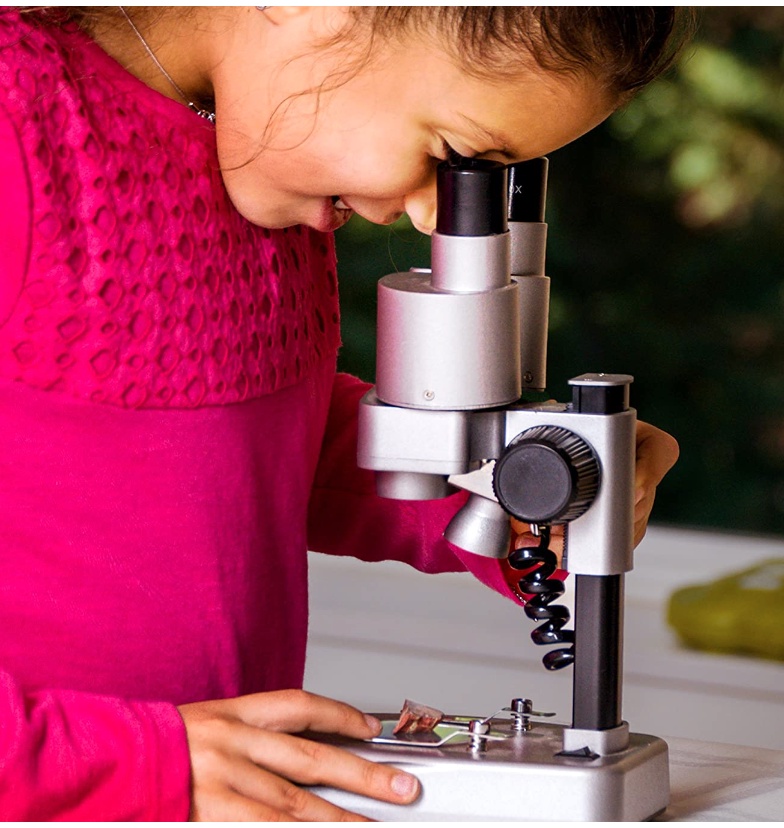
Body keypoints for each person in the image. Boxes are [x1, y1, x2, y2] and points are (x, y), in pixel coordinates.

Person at [0, 5, 684, 821]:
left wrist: (499, 488)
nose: (436, 216)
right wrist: (116, 764)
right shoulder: (20, 127)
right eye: (451, 156)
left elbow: (232, 450)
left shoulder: (259, 156)